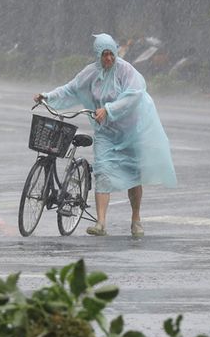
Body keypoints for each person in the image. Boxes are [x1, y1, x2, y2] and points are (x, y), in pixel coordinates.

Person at [33, 33, 177, 237]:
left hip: (131, 131)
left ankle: (136, 219)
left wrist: (109, 109)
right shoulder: (91, 73)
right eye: (104, 55)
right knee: (102, 171)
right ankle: (101, 223)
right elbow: (71, 88)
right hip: (105, 132)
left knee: (133, 176)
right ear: (97, 55)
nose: (108, 58)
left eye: (111, 54)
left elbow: (134, 95)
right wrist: (47, 96)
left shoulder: (126, 71)